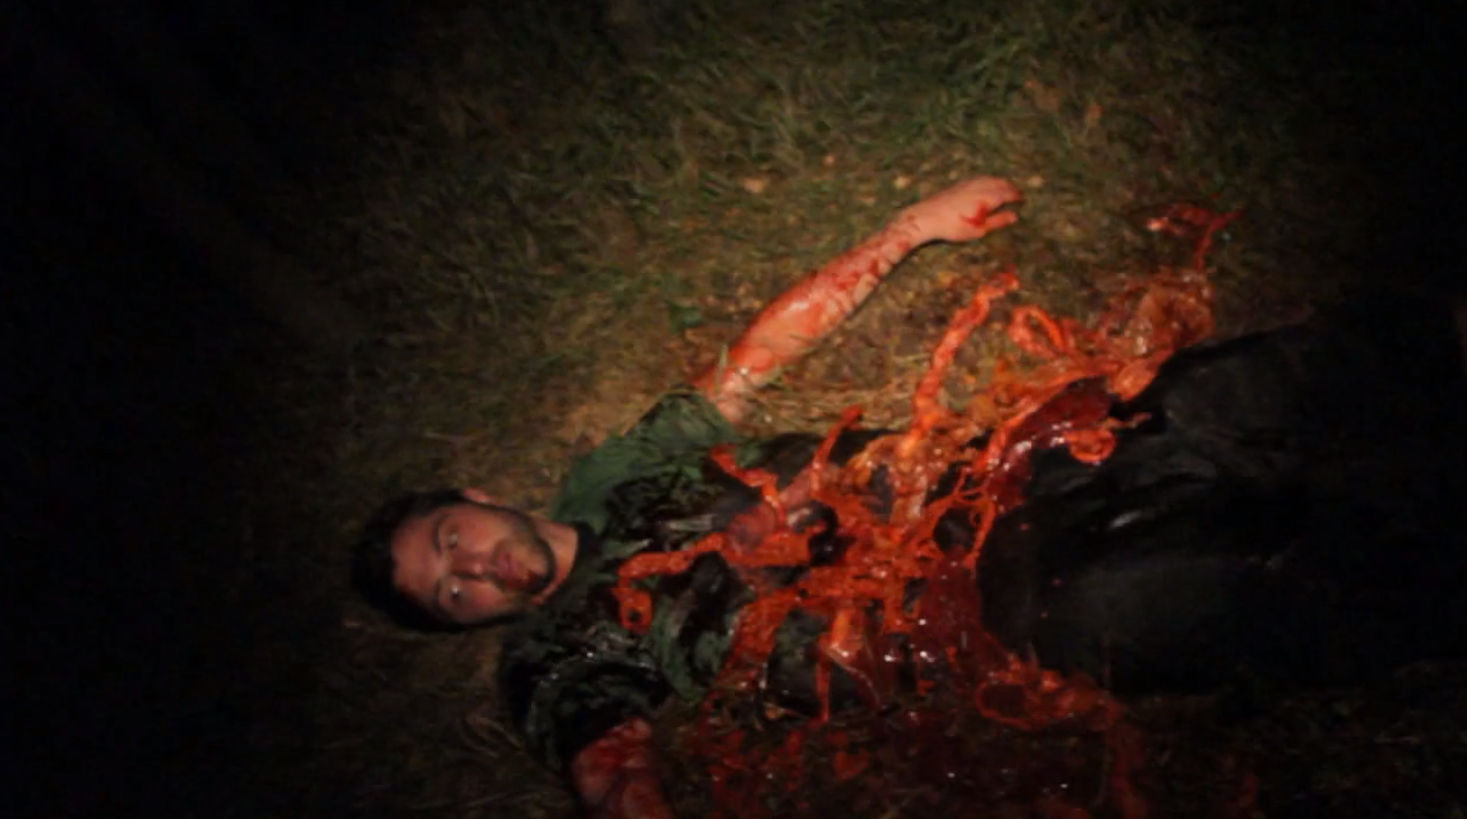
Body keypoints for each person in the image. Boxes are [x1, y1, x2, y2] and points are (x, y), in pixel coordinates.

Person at [355, 177, 1467, 819]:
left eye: (452, 539)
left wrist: (911, 228)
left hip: (972, 474)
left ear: (478, 495)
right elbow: (611, 767)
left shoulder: (610, 474)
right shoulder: (555, 657)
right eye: (452, 593)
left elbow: (755, 360)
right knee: (1140, 599)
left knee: (1173, 406)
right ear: (473, 622)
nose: (474, 569)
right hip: (958, 621)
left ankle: (1431, 351)